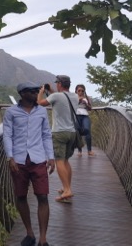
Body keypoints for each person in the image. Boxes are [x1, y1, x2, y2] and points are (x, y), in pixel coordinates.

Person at [3, 81, 55, 246]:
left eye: (36, 91)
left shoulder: (41, 112)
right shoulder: (11, 112)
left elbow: (46, 134)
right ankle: (30, 233)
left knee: (43, 196)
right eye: (32, 91)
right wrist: (10, 157)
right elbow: (7, 135)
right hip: (18, 160)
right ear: (22, 93)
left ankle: (43, 239)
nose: (35, 94)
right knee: (21, 196)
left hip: (38, 158)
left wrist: (51, 157)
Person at [37, 75, 79, 204]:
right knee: (66, 161)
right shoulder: (75, 96)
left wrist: (41, 92)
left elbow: (40, 103)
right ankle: (67, 187)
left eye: (57, 83)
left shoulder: (56, 96)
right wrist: (51, 92)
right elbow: (61, 98)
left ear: (60, 84)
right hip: (72, 132)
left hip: (59, 133)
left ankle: (67, 190)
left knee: (59, 161)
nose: (56, 85)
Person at [75, 84, 95, 156]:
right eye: (79, 90)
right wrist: (78, 101)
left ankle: (89, 150)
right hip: (76, 115)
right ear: (76, 91)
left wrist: (86, 104)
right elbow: (70, 106)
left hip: (85, 115)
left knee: (87, 130)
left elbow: (90, 108)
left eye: (82, 91)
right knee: (78, 132)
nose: (80, 92)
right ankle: (79, 151)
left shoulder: (86, 98)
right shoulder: (73, 98)